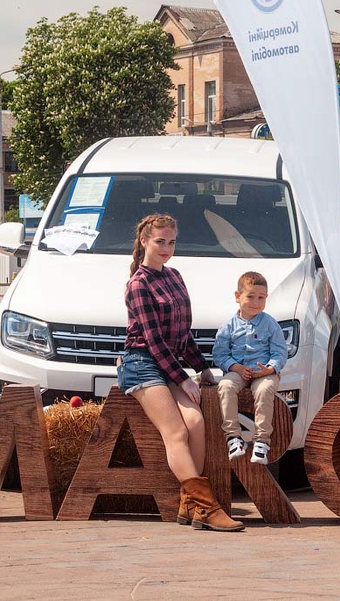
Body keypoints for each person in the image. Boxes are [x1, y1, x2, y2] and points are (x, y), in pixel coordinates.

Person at [119, 213, 244, 532]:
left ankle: (190, 504)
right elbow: (153, 341)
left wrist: (202, 368)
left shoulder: (174, 276)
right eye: (160, 241)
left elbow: (182, 334)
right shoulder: (138, 284)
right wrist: (183, 378)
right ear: (144, 241)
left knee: (196, 423)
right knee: (175, 432)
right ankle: (206, 507)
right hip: (140, 364)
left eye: (172, 242)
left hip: (167, 363)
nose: (166, 248)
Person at [213, 271, 287, 465]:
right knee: (225, 386)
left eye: (261, 297)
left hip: (264, 373)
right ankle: (233, 437)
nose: (256, 302)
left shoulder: (270, 324)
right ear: (238, 296)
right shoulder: (228, 326)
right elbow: (219, 354)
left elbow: (280, 352)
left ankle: (262, 440)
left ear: (266, 298)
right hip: (238, 372)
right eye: (250, 296)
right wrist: (235, 367)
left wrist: (270, 369)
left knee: (264, 390)